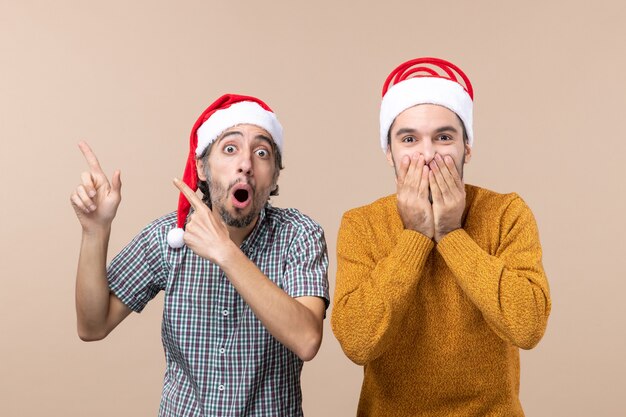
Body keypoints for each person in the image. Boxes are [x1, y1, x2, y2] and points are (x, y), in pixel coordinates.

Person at [70, 93, 329, 416]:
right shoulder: (169, 237)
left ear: (274, 174)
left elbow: (307, 339)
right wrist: (95, 231)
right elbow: (92, 326)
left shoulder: (299, 234)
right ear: (202, 168)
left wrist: (225, 252)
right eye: (230, 149)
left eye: (262, 153)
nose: (246, 164)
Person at [331, 57, 551, 416]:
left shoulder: (507, 213)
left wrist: (451, 234)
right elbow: (358, 342)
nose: (428, 155)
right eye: (409, 139)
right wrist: (416, 236)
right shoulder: (362, 224)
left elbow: (527, 327)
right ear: (389, 153)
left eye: (444, 137)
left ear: (467, 147)